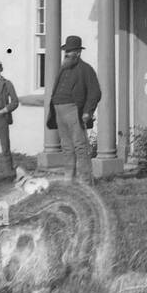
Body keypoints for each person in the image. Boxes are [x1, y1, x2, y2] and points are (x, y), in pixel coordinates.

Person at [45, 35, 101, 182]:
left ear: (78, 52)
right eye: (66, 51)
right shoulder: (63, 68)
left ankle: (85, 180)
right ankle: (69, 178)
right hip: (59, 111)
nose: (67, 53)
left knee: (80, 147)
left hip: (73, 110)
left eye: (70, 51)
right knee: (66, 146)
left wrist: (87, 112)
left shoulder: (86, 69)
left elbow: (95, 92)